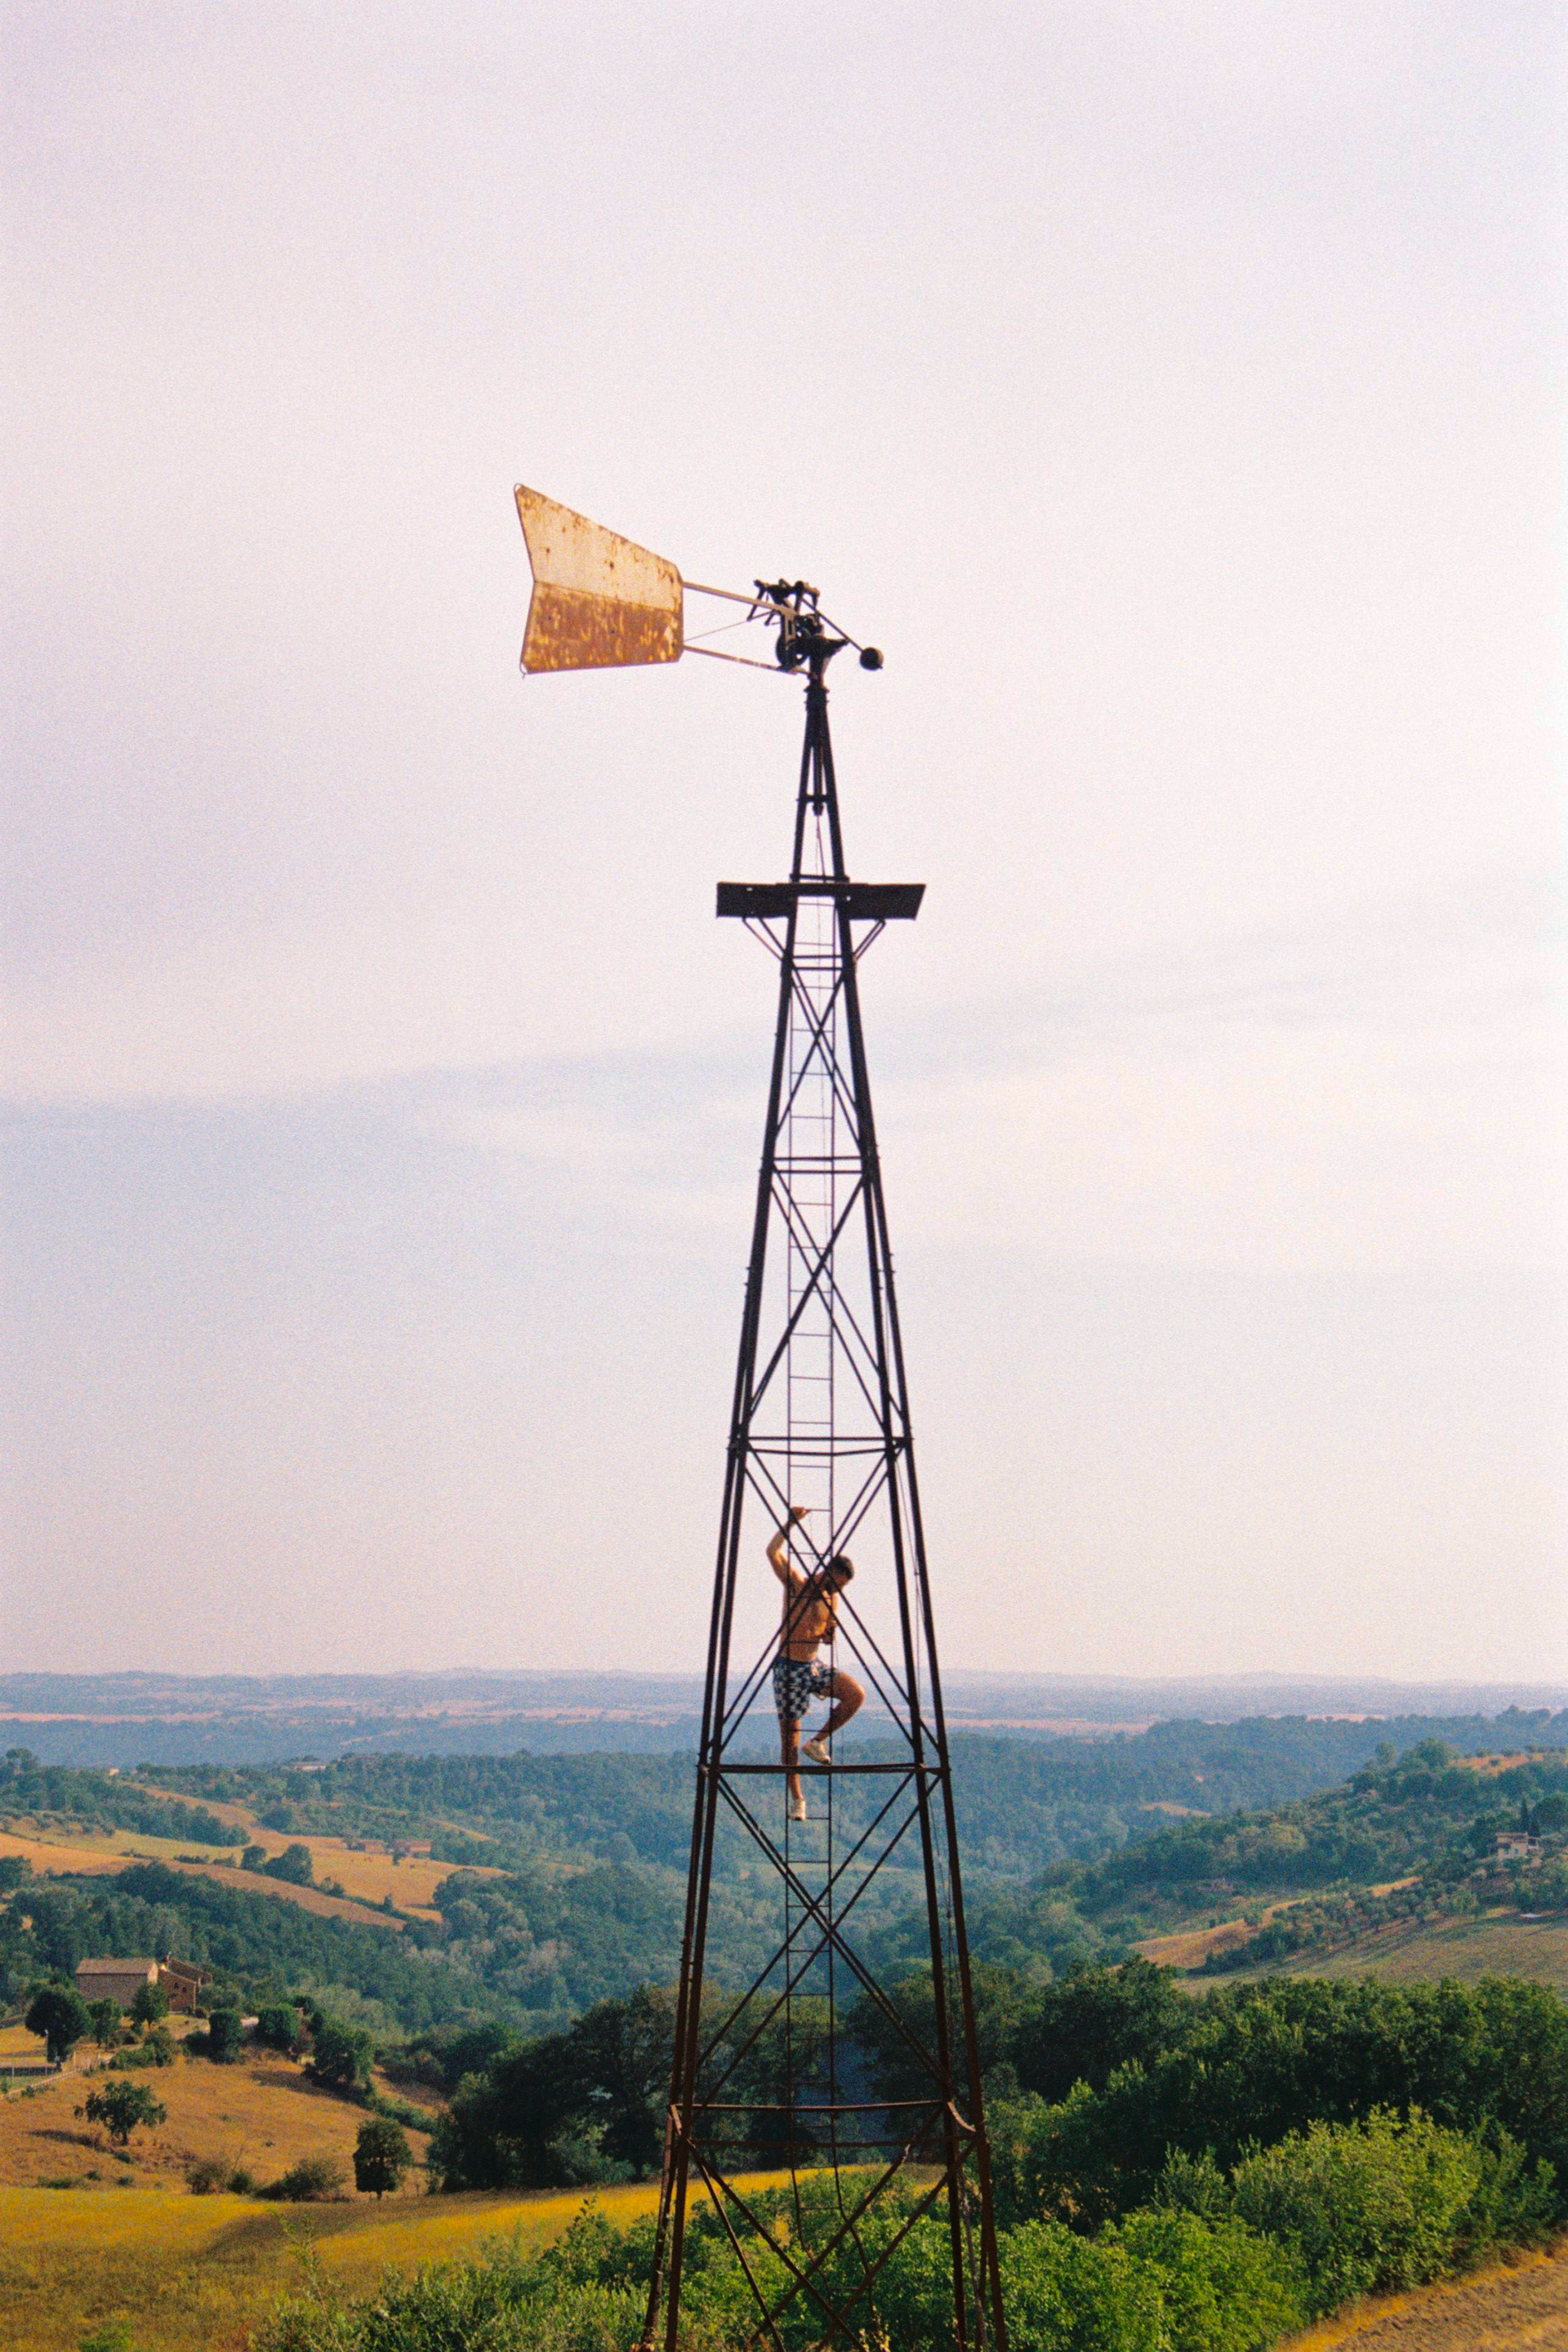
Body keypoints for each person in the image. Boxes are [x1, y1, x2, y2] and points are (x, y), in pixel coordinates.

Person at [768, 1505, 864, 1821]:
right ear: (825, 1572)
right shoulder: (797, 1583)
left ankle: (818, 1741)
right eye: (836, 1583)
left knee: (856, 1695)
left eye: (842, 1587)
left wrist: (830, 1635)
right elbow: (772, 1551)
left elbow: (822, 1635)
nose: (838, 1590)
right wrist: (790, 1523)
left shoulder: (832, 1599)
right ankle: (798, 1799)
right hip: (789, 1667)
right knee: (789, 1739)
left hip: (814, 1664)